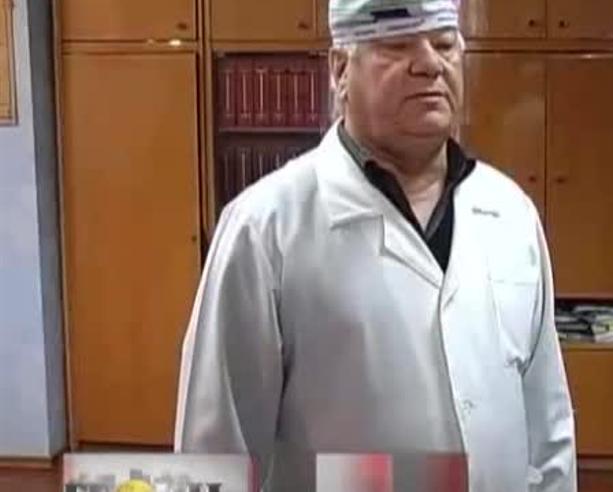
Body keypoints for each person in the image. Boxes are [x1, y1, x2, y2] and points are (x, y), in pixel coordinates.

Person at [174, 1, 576, 490]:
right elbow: (216, 454)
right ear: (340, 70)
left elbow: (547, 424)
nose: (429, 63)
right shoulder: (265, 230)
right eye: (398, 44)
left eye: (444, 44)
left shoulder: (510, 214)